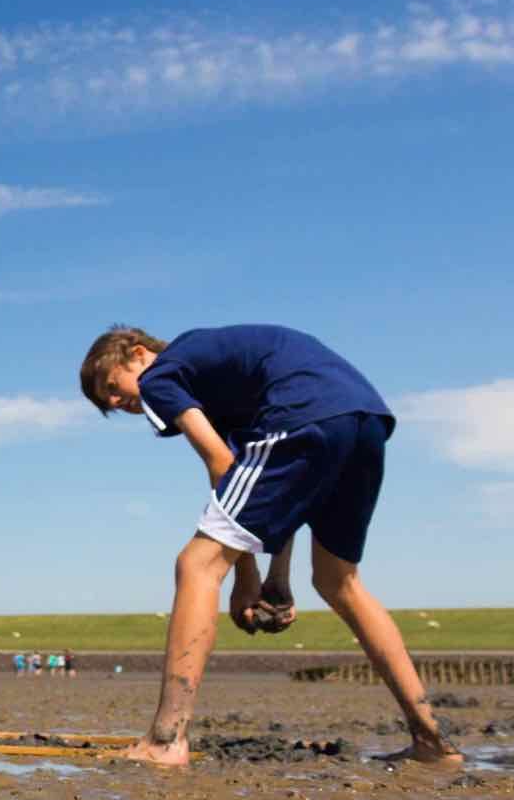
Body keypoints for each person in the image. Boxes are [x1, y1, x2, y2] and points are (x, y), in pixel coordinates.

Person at [80, 322, 460, 767]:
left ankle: (166, 739)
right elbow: (275, 492)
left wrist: (245, 577)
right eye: (104, 403)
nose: (113, 402)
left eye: (110, 385)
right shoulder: (221, 377)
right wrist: (277, 580)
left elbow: (222, 465)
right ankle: (433, 741)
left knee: (197, 565)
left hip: (306, 414)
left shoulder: (162, 375)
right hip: (364, 420)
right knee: (340, 582)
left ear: (140, 354)